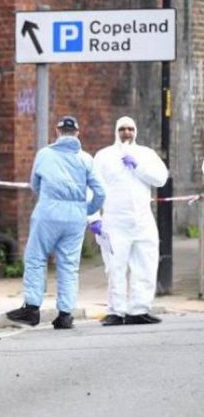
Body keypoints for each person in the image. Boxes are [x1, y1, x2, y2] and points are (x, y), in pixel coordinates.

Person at [7, 115, 106, 330]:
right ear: (77, 133)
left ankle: (32, 308)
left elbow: (35, 184)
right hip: (75, 215)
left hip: (49, 210)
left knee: (36, 258)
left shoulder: (44, 154)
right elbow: (100, 192)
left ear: (58, 131)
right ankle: (65, 314)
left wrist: (48, 199)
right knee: (69, 265)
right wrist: (86, 209)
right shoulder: (86, 159)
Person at [92, 116, 168, 326]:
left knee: (146, 263)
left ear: (136, 131)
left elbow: (161, 178)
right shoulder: (104, 156)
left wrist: (139, 167)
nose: (127, 133)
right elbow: (92, 188)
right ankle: (116, 310)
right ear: (116, 131)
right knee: (115, 266)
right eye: (123, 129)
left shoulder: (146, 154)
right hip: (115, 220)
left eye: (130, 129)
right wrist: (94, 217)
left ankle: (139, 309)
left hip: (142, 219)